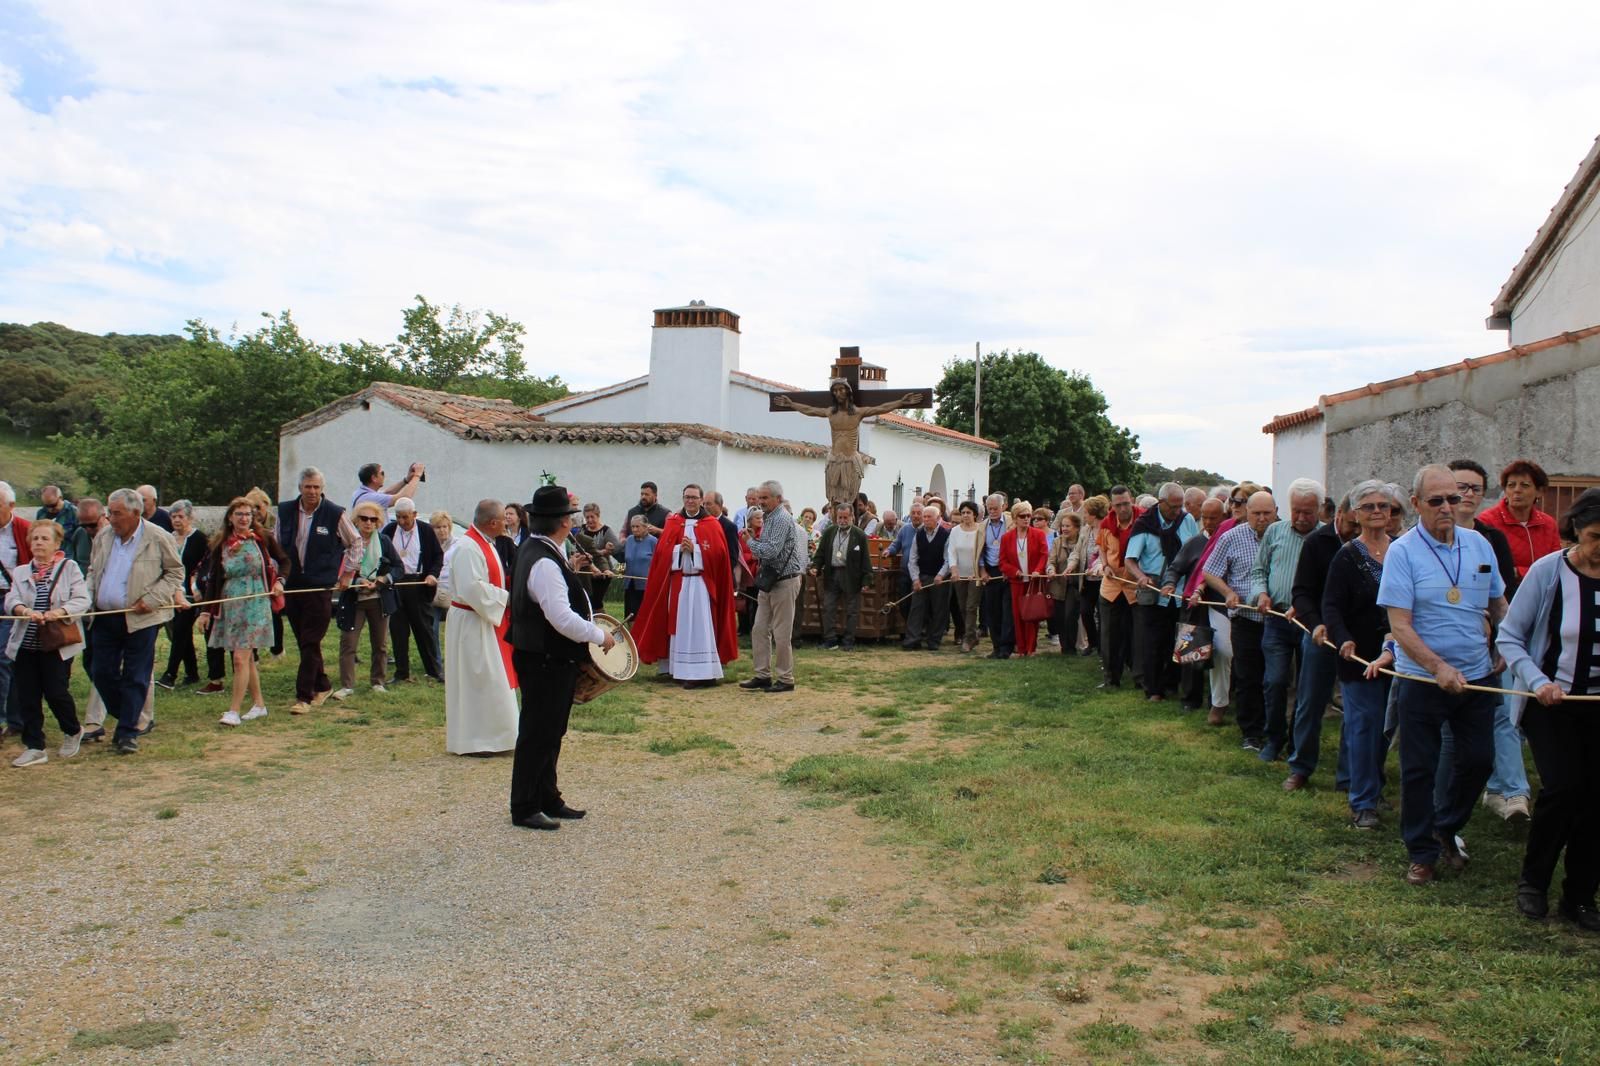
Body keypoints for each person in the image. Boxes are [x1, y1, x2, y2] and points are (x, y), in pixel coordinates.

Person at [1378, 464, 1507, 887]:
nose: (1449, 507)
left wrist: (1504, 643)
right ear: (1416, 505)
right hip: (1423, 680)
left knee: (1479, 761)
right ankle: (1422, 853)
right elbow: (1400, 626)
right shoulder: (1402, 551)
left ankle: (1445, 825)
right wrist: (1437, 666)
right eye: (1437, 501)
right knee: (1419, 768)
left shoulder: (1478, 545)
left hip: (1476, 677)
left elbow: (1498, 605)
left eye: (1456, 497)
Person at [1496, 488, 1600, 928]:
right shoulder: (1549, 573)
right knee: (1562, 789)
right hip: (1552, 705)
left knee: (1597, 802)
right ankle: (1533, 883)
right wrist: (1537, 682)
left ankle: (1579, 897)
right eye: (1597, 536)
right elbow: (1509, 637)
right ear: (1577, 530)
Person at [505, 485, 616, 830]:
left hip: (545, 656)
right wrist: (599, 636)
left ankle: (547, 797)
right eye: (570, 517)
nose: (573, 522)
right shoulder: (543, 560)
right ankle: (525, 805)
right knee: (538, 732)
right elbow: (561, 618)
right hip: (545, 658)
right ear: (563, 524)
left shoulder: (540, 550)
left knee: (551, 731)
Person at [1447, 459, 1529, 823]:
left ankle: (1513, 794)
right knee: (1449, 731)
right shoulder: (1419, 542)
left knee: (1505, 715)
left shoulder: (1492, 538)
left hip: (1492, 646)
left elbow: (1503, 595)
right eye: (1459, 487)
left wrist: (1504, 641)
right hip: (1442, 650)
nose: (1466, 495)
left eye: (1474, 488)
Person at [1322, 481, 1398, 828]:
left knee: (1386, 727)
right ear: (1355, 513)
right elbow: (1332, 605)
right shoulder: (1347, 556)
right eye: (1369, 507)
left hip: (1399, 655)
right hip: (1358, 657)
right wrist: (1343, 639)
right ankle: (1363, 802)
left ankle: (1374, 787)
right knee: (1363, 727)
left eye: (1384, 506)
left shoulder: (1401, 551)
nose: (1378, 512)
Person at [85, 487, 184, 754]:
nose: (111, 518)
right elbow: (94, 570)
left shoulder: (158, 537)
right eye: (110, 512)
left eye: (116, 513)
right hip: (105, 617)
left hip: (143, 618)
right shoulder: (104, 536)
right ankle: (129, 714)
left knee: (136, 675)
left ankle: (128, 732)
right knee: (100, 671)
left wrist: (151, 600)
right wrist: (87, 597)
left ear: (135, 513)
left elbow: (175, 574)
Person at [635, 485, 739, 688]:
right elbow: (662, 554)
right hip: (679, 583)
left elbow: (719, 556)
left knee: (699, 626)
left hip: (701, 585)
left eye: (694, 497)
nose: (690, 501)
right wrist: (678, 551)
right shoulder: (674, 522)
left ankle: (702, 671)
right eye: (687, 497)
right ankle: (678, 668)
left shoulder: (711, 524)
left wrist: (695, 551)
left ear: (701, 500)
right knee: (680, 625)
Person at [277, 467, 362, 716]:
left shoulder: (335, 513)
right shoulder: (285, 511)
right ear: (300, 488)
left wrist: (348, 573)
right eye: (308, 487)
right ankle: (322, 685)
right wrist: (277, 578)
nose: (312, 491)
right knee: (305, 640)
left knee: (311, 639)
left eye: (316, 487)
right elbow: (277, 546)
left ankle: (304, 696)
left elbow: (355, 542)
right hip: (293, 586)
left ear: (322, 489)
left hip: (320, 587)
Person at [1284, 492, 1354, 790]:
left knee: (1356, 707)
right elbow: (1301, 592)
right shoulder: (1317, 542)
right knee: (1310, 702)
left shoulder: (1376, 547)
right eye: (1352, 522)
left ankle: (1350, 775)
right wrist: (1316, 624)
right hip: (1319, 635)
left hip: (1356, 637)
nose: (1356, 530)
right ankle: (1301, 767)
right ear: (1340, 514)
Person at [1250, 478, 1324, 762]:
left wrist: (1308, 609)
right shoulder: (1275, 532)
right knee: (1275, 681)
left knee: (1307, 687)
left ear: (1319, 509)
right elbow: (1259, 570)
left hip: (1310, 624)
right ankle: (1274, 738)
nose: (1302, 518)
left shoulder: (1325, 539)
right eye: (1297, 511)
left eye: (1308, 512)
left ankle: (1298, 742)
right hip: (1277, 619)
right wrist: (1261, 595)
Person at [5, 520, 90, 766]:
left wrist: (59, 612)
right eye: (35, 538)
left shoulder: (69, 567)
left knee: (55, 692)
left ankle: (73, 730)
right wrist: (23, 610)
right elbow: (12, 599)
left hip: (56, 644)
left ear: (56, 543)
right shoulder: (21, 571)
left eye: (45, 538)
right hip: (25, 643)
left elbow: (82, 599)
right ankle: (34, 746)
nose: (39, 543)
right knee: (27, 696)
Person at [772, 380, 923, 508]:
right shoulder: (830, 412)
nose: (838, 393)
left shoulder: (858, 412)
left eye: (841, 390)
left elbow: (881, 408)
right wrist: (791, 404)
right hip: (834, 459)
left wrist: (901, 402)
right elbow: (810, 410)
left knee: (848, 499)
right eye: (835, 391)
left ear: (848, 392)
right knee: (833, 500)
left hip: (850, 460)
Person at [444, 500, 520, 755]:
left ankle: (498, 737)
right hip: (472, 622)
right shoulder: (467, 547)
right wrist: (508, 598)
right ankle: (477, 739)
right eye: (503, 520)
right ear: (492, 522)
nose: (507, 523)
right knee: (479, 678)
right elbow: (471, 587)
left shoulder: (485, 542)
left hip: (485, 620)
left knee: (493, 678)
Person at [1203, 491, 1277, 751]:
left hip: (1277, 621)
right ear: (1246, 512)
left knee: (1276, 677)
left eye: (1267, 513)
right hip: (1245, 618)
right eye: (1256, 513)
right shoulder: (1231, 537)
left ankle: (1275, 729)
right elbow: (1210, 572)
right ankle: (1251, 733)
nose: (1261, 519)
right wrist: (1228, 592)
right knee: (1248, 676)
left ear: (1276, 511)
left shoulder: (1284, 536)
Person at [198, 498, 281, 726]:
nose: (244, 518)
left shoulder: (262, 538)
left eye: (247, 514)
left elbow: (285, 560)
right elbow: (214, 580)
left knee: (239, 658)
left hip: (255, 602)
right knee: (246, 658)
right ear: (230, 518)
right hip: (231, 603)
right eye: (239, 514)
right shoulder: (221, 544)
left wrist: (279, 582)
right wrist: (206, 611)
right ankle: (259, 705)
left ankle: (233, 711)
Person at [1126, 483, 1199, 701]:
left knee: (1180, 641)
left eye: (1180, 507)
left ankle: (1174, 684)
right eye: (1173, 507)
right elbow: (1130, 559)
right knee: (1153, 642)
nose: (1177, 512)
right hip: (1154, 592)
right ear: (1161, 502)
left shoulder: (1187, 520)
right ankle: (1154, 689)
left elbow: (1196, 552)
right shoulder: (1144, 524)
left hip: (1181, 593)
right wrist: (1141, 576)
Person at [740, 480, 808, 692]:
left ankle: (786, 678)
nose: (761, 502)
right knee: (759, 628)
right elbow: (768, 550)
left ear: (777, 499)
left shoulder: (779, 519)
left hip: (784, 581)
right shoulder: (769, 518)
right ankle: (762, 674)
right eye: (760, 498)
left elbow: (770, 552)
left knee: (781, 632)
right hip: (770, 581)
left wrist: (750, 541)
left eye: (765, 498)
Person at [332, 500, 403, 700]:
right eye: (364, 518)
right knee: (348, 643)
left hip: (379, 599)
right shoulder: (346, 542)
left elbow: (399, 568)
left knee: (380, 644)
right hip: (354, 599)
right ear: (356, 520)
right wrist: (356, 580)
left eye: (373, 519)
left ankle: (378, 682)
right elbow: (337, 569)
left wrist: (383, 579)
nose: (368, 523)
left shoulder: (384, 542)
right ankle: (347, 685)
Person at [1160, 496, 1225, 711]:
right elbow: (1175, 567)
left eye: (1213, 518)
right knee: (1190, 653)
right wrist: (1170, 584)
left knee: (1221, 655)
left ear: (1223, 517)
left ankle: (1217, 700)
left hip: (1220, 606)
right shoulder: (1195, 542)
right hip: (1194, 606)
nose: (1208, 523)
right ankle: (1190, 698)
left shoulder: (1228, 540)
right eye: (1205, 518)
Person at [382, 498, 444, 684]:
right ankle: (402, 672)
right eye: (399, 517)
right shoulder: (389, 531)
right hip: (396, 585)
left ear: (414, 515)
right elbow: (381, 556)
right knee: (398, 631)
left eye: (406, 518)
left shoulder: (425, 531)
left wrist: (432, 575)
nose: (402, 522)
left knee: (424, 629)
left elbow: (437, 556)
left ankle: (434, 670)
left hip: (418, 584)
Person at [1476, 458, 1561, 579]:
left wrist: (1519, 572)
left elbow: (1555, 566)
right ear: (1505, 490)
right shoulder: (1487, 521)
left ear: (1539, 491)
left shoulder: (1548, 524)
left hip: (1542, 592)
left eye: (1525, 485)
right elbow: (1487, 567)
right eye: (1511, 485)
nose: (1517, 490)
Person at [156, 500, 207, 689]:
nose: (176, 520)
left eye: (180, 516)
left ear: (190, 518)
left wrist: (198, 587)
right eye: (173, 516)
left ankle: (170, 674)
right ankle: (192, 673)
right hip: (171, 593)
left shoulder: (199, 538)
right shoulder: (167, 538)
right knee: (182, 634)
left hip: (192, 594)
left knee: (180, 632)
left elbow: (205, 564)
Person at [811, 503, 873, 650]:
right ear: (836, 517)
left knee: (852, 610)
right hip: (832, 574)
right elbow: (820, 553)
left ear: (852, 517)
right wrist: (815, 567)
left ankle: (848, 640)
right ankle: (830, 640)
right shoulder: (829, 532)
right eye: (840, 517)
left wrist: (866, 579)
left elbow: (865, 559)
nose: (843, 520)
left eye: (846, 517)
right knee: (829, 607)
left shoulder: (859, 535)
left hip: (851, 576)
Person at [1096, 488, 1142, 685]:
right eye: (1118, 505)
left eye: (1125, 503)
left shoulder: (1144, 522)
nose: (1122, 508)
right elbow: (1102, 548)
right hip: (1111, 587)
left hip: (1135, 587)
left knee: (1138, 636)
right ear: (1112, 506)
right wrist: (1104, 565)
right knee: (1109, 636)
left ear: (1131, 500)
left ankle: (1140, 678)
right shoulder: (1106, 524)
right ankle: (1111, 679)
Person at [0, 481, 32, 739]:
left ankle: (9, 718)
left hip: (12, 599)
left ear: (11, 506)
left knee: (5, 656)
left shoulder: (23, 529)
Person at [1001, 500, 1049, 657]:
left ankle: (1031, 648)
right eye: (1023, 516)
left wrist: (1038, 570)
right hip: (1017, 582)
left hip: (1033, 581)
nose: (1027, 518)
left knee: (1031, 615)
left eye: (1029, 515)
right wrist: (1014, 571)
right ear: (1015, 518)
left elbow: (1044, 554)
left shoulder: (1038, 534)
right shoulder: (1007, 537)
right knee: (1018, 615)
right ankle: (1021, 648)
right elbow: (1002, 562)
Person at [904, 501, 951, 651]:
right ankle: (913, 639)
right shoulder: (919, 535)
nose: (925, 519)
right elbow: (912, 559)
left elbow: (948, 559)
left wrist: (941, 575)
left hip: (939, 578)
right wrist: (915, 579)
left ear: (938, 518)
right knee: (916, 608)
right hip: (921, 576)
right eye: (924, 517)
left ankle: (934, 640)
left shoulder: (945, 535)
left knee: (938, 609)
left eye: (929, 517)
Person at [943, 501, 984, 653]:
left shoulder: (980, 530)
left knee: (971, 606)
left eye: (968, 512)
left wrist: (979, 571)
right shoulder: (955, 531)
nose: (966, 515)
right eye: (963, 513)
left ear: (974, 514)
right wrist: (954, 571)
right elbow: (951, 552)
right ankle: (972, 634)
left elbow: (982, 552)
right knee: (962, 606)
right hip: (959, 574)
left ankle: (968, 638)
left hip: (975, 575)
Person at [979, 494, 1015, 659]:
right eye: (989, 509)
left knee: (1007, 611)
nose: (992, 511)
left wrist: (1010, 570)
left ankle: (1007, 647)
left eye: (995, 508)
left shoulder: (1011, 524)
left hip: (1008, 570)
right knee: (992, 611)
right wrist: (982, 571)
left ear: (1004, 507)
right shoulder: (982, 526)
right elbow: (978, 551)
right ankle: (996, 646)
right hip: (990, 571)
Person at [576, 502, 623, 606]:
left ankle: (603, 621)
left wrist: (609, 550)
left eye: (592, 517)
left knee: (596, 602)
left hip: (602, 571)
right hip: (586, 572)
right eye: (587, 517)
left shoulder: (606, 530)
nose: (589, 520)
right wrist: (603, 551)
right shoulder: (581, 530)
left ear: (598, 516)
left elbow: (617, 548)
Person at [351, 461, 424, 525]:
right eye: (382, 473)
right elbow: (403, 498)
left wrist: (407, 479)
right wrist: (417, 475)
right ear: (374, 478)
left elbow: (387, 493)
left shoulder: (360, 492)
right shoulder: (370, 498)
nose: (384, 476)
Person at [1078, 496, 1106, 658]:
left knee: (1102, 615)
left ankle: (1103, 645)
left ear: (1094, 514)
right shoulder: (1085, 530)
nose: (1084, 516)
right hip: (1087, 581)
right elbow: (1077, 552)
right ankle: (1093, 643)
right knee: (1085, 611)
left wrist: (1099, 566)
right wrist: (1070, 565)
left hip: (1103, 581)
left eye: (1087, 513)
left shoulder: (1107, 530)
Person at [620, 515, 657, 620]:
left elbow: (659, 563)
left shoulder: (653, 541)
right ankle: (632, 635)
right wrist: (619, 575)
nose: (634, 529)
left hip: (646, 585)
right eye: (632, 527)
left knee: (644, 616)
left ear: (646, 527)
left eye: (637, 526)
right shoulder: (629, 540)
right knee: (629, 616)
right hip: (630, 584)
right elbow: (622, 559)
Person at [64, 497, 100, 572]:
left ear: (103, 517)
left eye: (92, 525)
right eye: (83, 526)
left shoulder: (114, 536)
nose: (88, 529)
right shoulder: (79, 533)